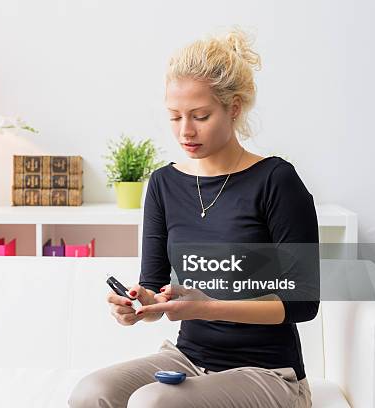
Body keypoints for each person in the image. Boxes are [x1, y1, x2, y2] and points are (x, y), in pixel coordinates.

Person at [69, 27, 318, 408]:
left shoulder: (275, 180)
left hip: (268, 373)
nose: (185, 131)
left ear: (233, 108)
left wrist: (205, 306)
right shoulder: (164, 184)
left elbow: (303, 304)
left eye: (200, 116)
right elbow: (153, 286)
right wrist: (138, 306)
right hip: (188, 359)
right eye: (175, 116)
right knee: (91, 393)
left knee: (154, 402)